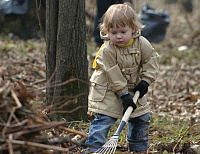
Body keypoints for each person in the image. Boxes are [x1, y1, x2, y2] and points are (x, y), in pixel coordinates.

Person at [84, 3, 159, 154]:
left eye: (123, 31)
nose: (118, 36)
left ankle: (138, 148)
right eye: (114, 32)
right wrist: (123, 95)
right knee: (104, 120)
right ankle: (93, 149)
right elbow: (113, 73)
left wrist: (145, 81)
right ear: (107, 31)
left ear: (133, 28)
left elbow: (151, 59)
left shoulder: (141, 43)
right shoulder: (107, 49)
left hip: (134, 88)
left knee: (141, 117)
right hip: (108, 91)